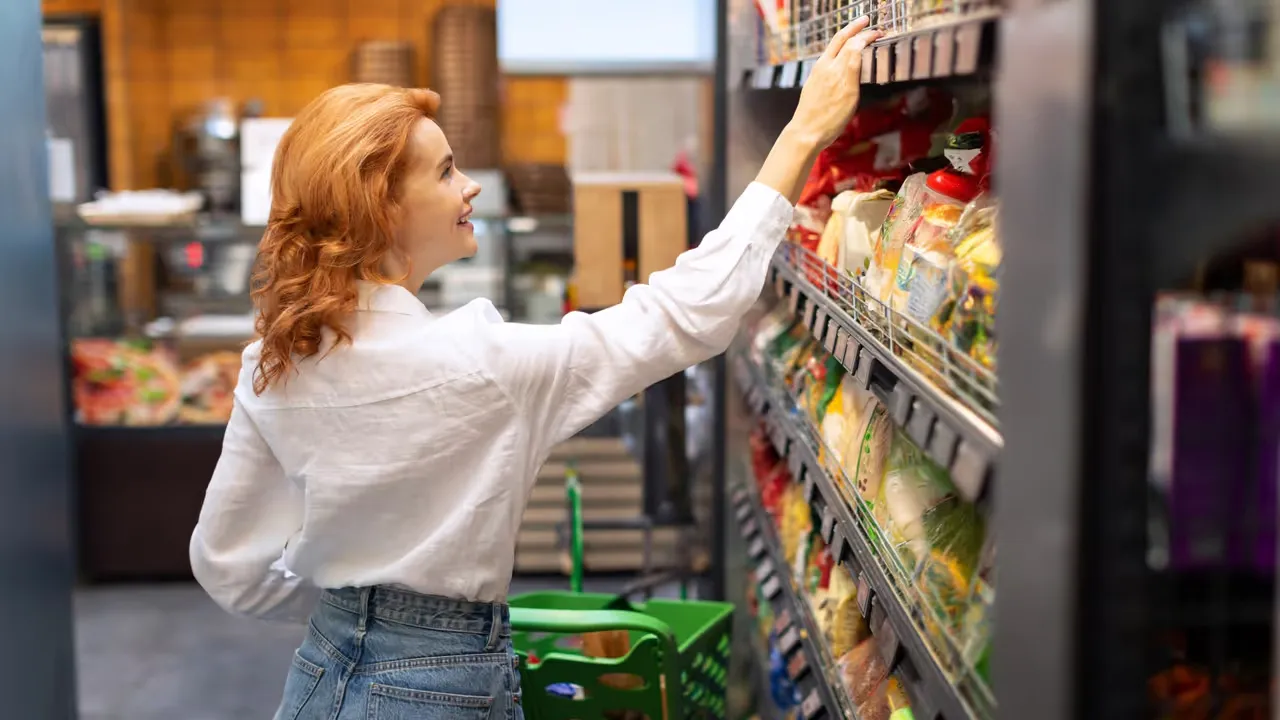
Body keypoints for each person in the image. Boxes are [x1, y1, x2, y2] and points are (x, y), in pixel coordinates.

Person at [190, 18, 881, 720]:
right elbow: (684, 314)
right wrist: (800, 135)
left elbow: (230, 567)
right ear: (384, 208)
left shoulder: (272, 362)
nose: (470, 188)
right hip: (444, 685)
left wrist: (356, 602)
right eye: (445, 171)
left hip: (319, 677)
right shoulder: (483, 366)